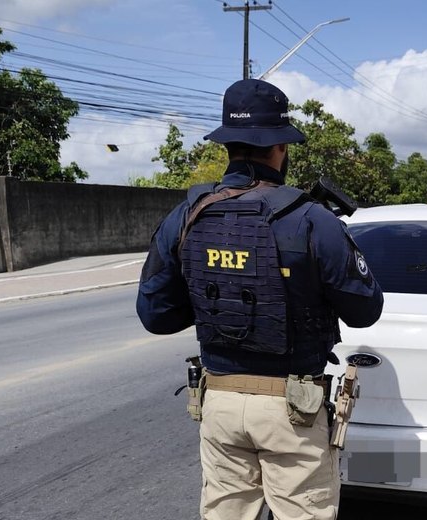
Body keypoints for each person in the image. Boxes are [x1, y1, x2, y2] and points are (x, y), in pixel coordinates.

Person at [136, 78, 384, 520]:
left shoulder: (187, 215)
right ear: (281, 149)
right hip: (293, 410)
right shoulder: (313, 220)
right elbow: (365, 311)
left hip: (220, 402)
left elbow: (155, 315)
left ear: (228, 144)